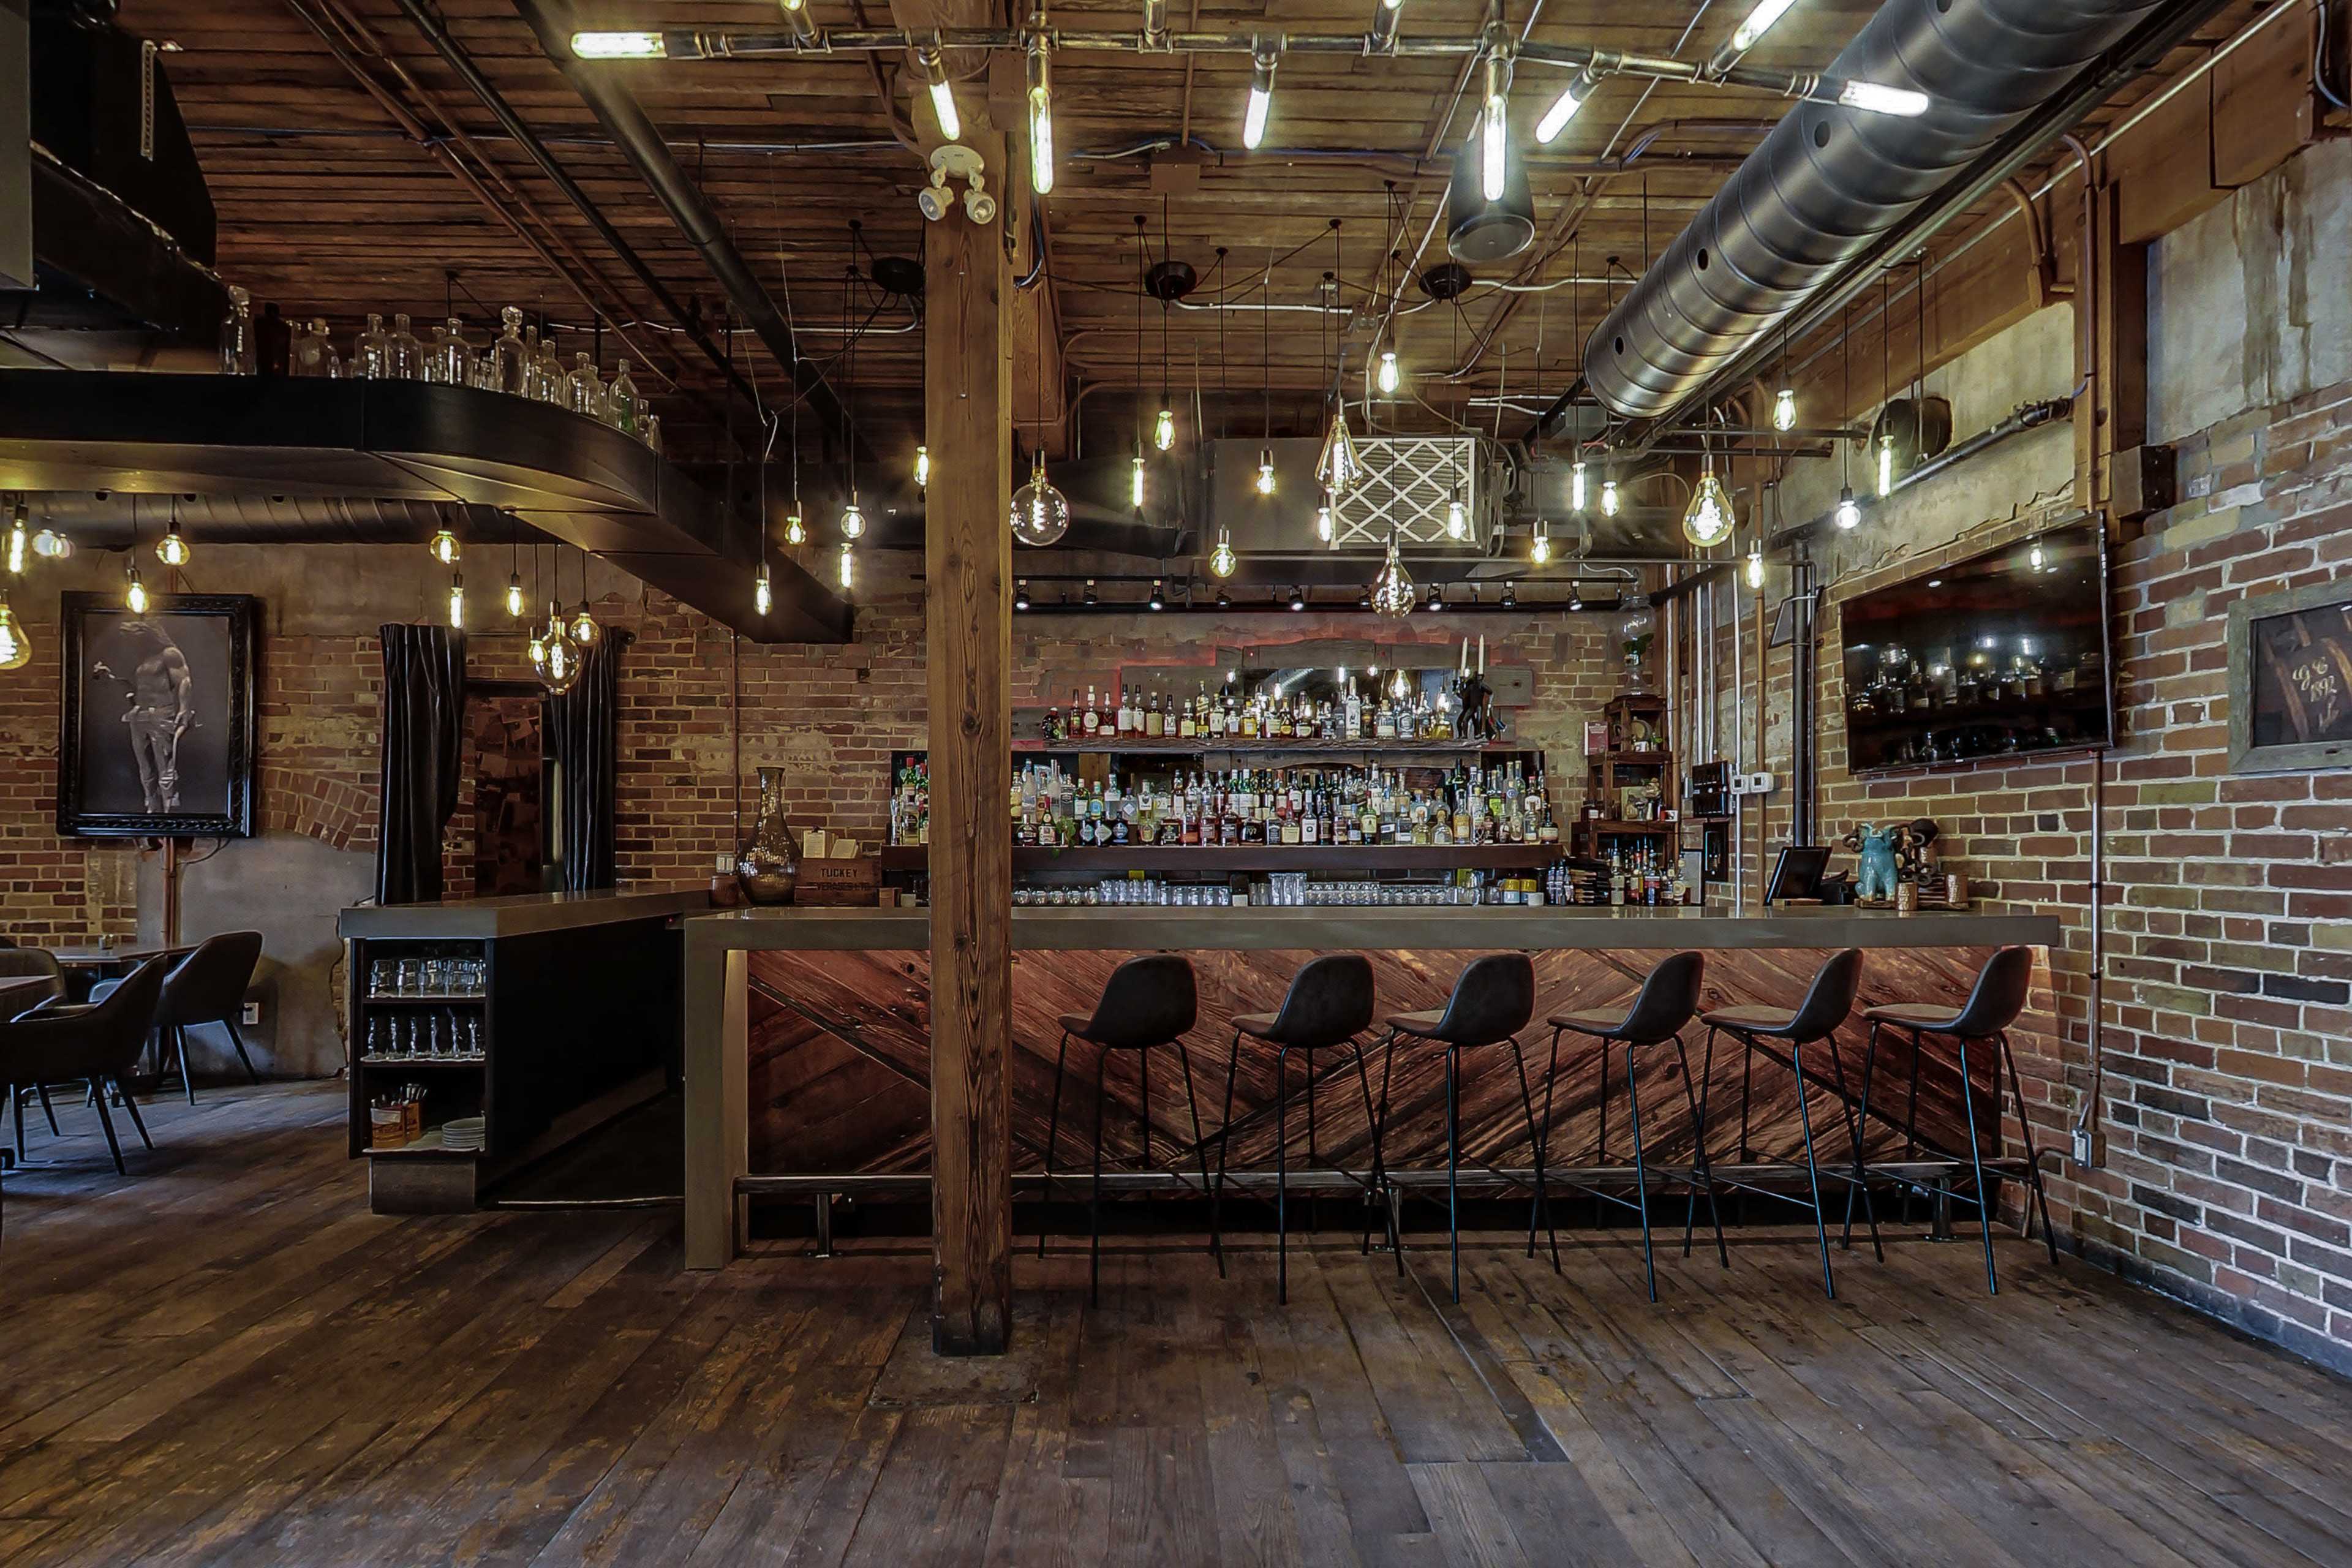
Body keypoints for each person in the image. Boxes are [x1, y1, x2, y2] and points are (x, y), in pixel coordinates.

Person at [92, 620, 195, 813]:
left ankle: (170, 807)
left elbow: (184, 681)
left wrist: (184, 708)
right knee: (145, 766)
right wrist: (110, 678)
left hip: (161, 714)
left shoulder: (170, 654)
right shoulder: (144, 660)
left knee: (165, 764)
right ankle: (151, 806)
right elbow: (134, 687)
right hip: (140, 715)